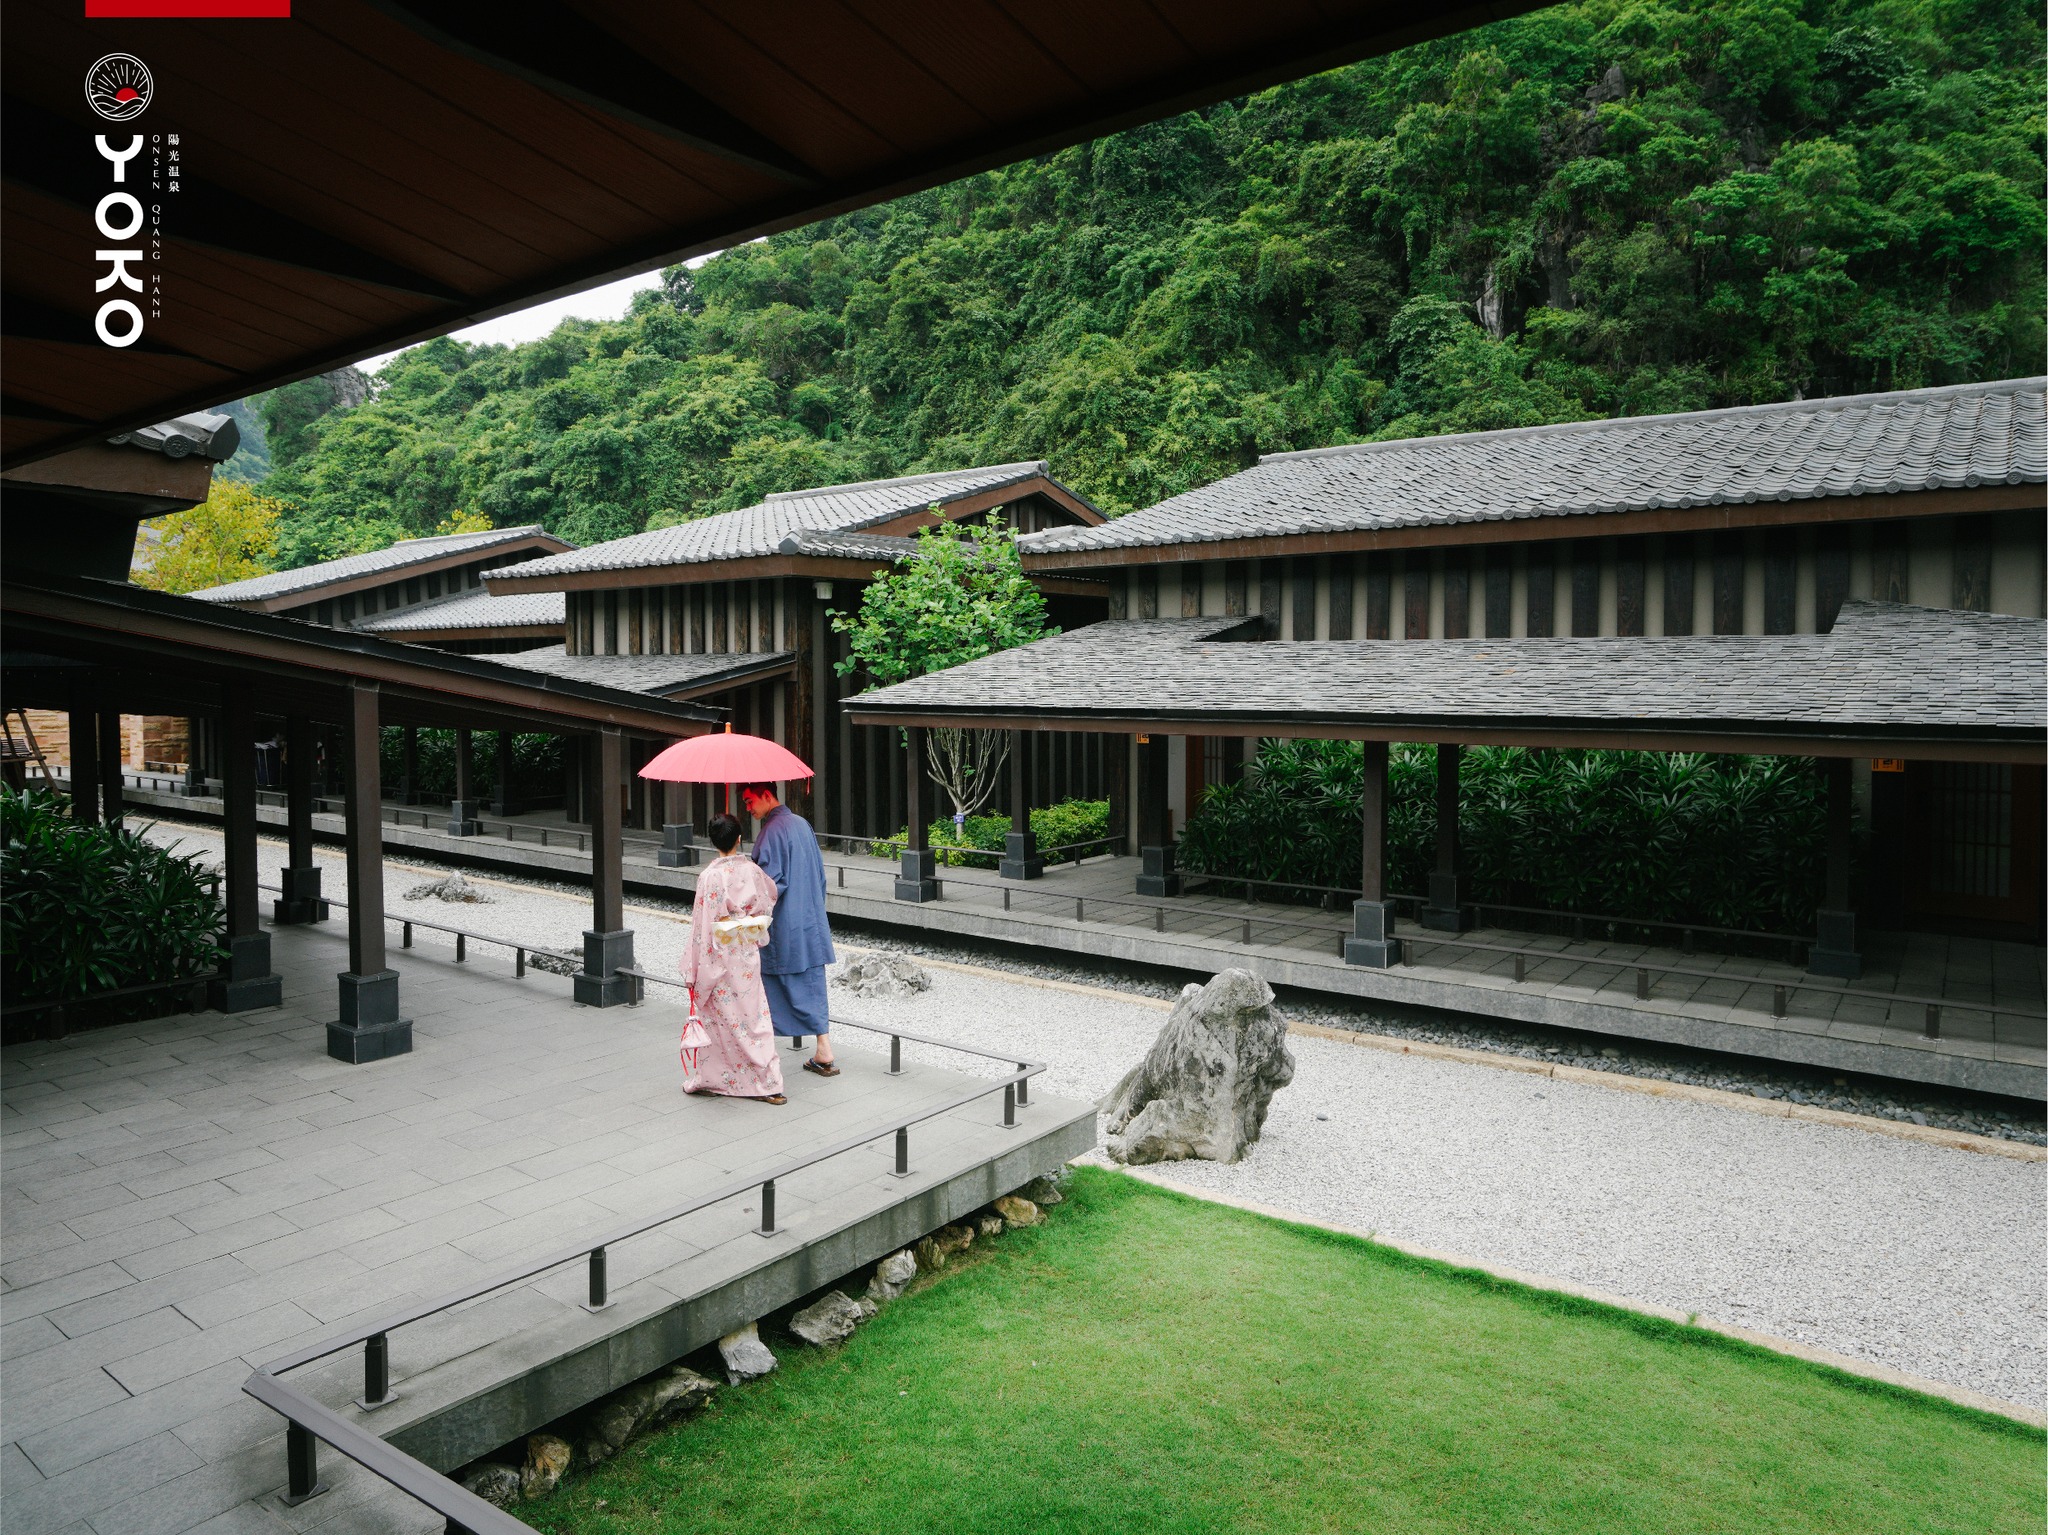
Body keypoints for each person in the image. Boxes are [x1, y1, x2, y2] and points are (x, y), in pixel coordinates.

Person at [675, 813, 786, 1105]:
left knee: (720, 1020)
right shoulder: (751, 870)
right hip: (745, 952)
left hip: (719, 955)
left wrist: (694, 966)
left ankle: (718, 1079)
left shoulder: (710, 876)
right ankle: (767, 1081)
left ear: (712, 841)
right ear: (739, 839)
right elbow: (768, 898)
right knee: (753, 1018)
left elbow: (702, 924)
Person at [741, 781, 838, 1076]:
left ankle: (762, 1054)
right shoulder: (801, 824)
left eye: (749, 801)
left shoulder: (770, 832)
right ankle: (824, 1048)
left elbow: (770, 885)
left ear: (767, 796)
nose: (748, 808)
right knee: (812, 982)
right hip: (810, 919)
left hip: (785, 924)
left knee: (769, 986)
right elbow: (820, 875)